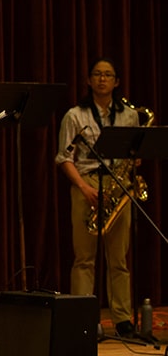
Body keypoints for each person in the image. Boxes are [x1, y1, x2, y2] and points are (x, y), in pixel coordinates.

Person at [55, 57, 138, 338]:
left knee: (119, 259)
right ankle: (83, 318)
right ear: (89, 81)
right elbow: (64, 158)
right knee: (84, 259)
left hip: (119, 186)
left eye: (108, 75)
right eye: (97, 74)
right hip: (86, 184)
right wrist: (83, 187)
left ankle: (123, 318)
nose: (102, 79)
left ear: (117, 82)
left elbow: (133, 152)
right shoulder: (74, 115)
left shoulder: (130, 115)